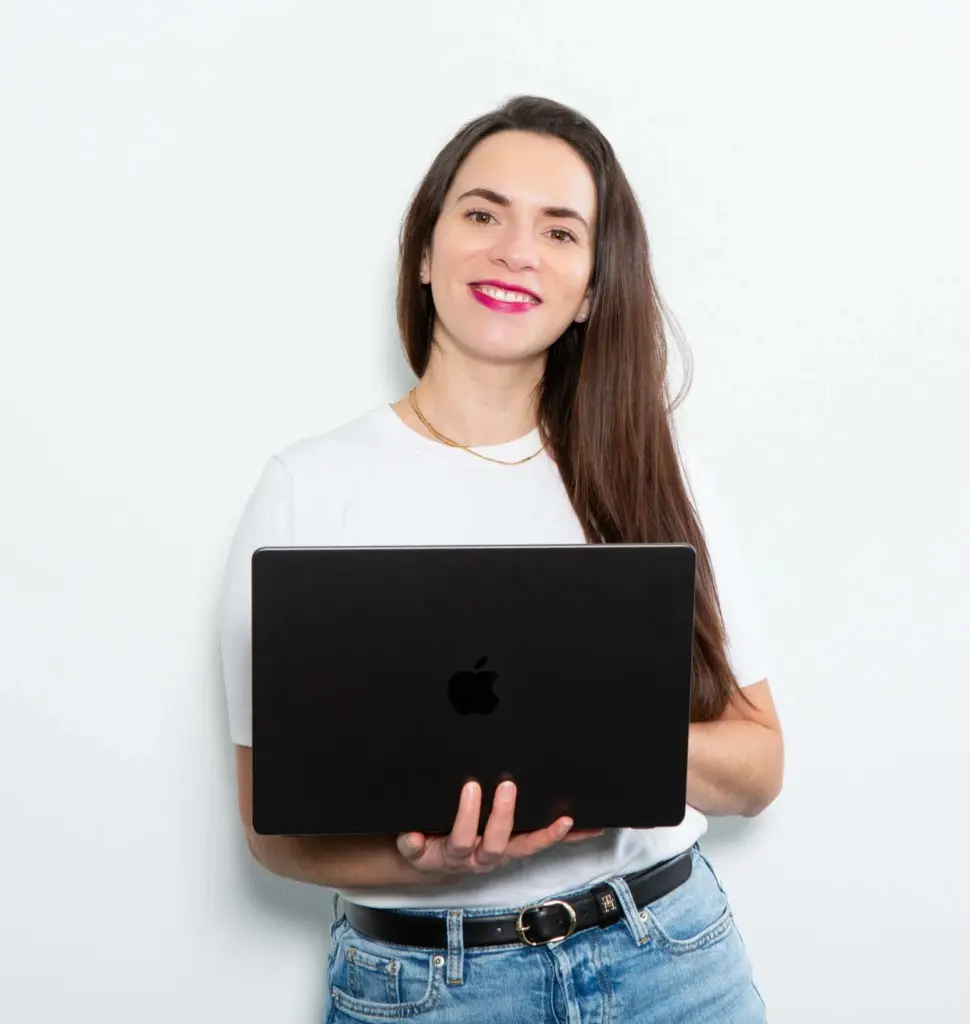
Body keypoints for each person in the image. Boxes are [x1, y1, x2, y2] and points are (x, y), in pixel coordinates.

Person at [219, 95, 783, 1023]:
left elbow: (758, 767)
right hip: (429, 989)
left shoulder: (656, 471)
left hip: (670, 961)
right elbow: (271, 834)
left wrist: (602, 747)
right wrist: (418, 861)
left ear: (594, 288)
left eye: (561, 232)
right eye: (483, 214)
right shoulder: (307, 488)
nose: (517, 251)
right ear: (426, 252)